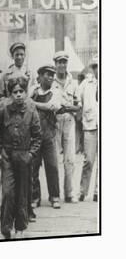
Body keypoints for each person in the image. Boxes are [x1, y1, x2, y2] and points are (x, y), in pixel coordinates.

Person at [0, 76, 41, 239]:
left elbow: (37, 137)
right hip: (7, 156)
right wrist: (0, 150)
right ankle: (5, 226)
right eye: (15, 92)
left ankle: (20, 226)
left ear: (26, 93)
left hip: (24, 156)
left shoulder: (31, 112)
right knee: (8, 193)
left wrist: (31, 154)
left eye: (21, 91)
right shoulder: (4, 111)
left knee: (22, 194)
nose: (19, 95)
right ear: (10, 94)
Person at [30, 65, 61, 209]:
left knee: (52, 166)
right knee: (33, 167)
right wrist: (32, 103)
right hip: (34, 135)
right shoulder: (33, 91)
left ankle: (54, 197)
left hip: (49, 134)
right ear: (40, 76)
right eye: (48, 75)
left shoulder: (55, 92)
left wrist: (33, 104)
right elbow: (25, 105)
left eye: (52, 75)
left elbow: (51, 106)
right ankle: (35, 197)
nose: (51, 78)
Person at [53, 51, 81, 203]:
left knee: (70, 159)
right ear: (55, 64)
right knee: (55, 159)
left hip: (69, 122)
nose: (62, 65)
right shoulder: (51, 82)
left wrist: (68, 106)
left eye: (64, 62)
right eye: (59, 62)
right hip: (55, 122)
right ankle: (55, 194)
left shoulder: (73, 82)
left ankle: (69, 193)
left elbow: (78, 107)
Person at [78, 57, 99, 202]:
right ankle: (82, 191)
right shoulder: (86, 83)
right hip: (90, 125)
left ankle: (98, 190)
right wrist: (80, 111)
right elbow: (77, 99)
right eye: (96, 66)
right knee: (89, 160)